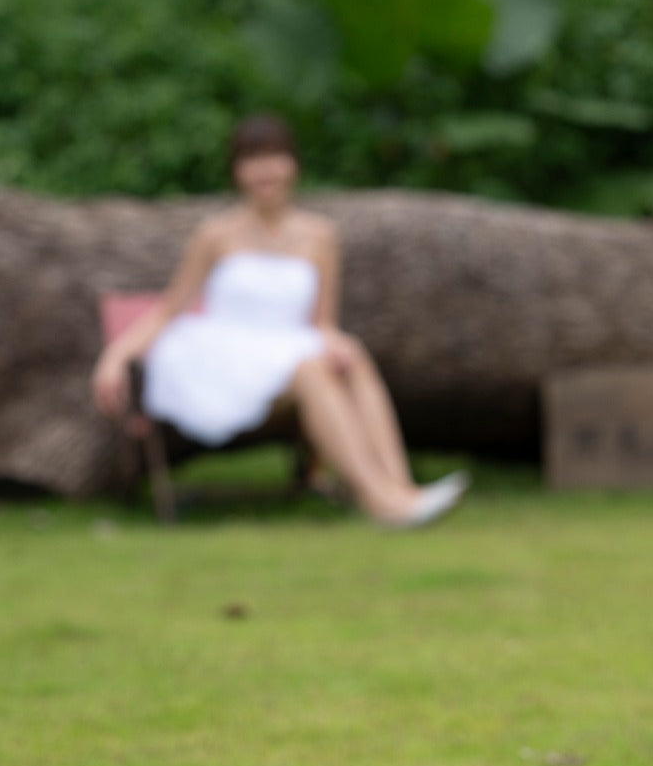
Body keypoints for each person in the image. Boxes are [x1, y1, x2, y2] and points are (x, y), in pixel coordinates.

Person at [91, 114, 468, 527]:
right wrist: (116, 354)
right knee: (310, 370)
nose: (265, 171)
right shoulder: (216, 235)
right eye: (252, 159)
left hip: (287, 348)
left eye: (274, 157)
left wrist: (334, 340)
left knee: (352, 356)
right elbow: (169, 309)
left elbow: (322, 321)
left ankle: (402, 489)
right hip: (222, 358)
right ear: (237, 171)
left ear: (293, 165)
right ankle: (378, 500)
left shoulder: (320, 236)